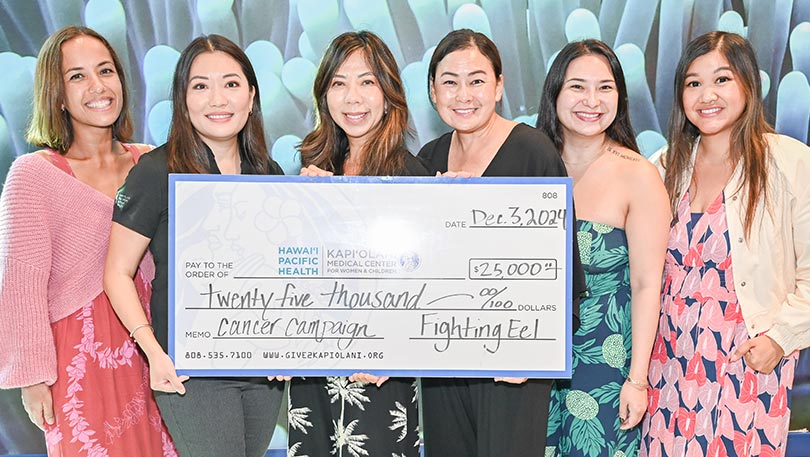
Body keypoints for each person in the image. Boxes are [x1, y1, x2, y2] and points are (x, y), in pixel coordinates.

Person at [103, 34, 285, 457]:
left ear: (251, 96)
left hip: (262, 372)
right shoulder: (155, 170)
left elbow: (278, 270)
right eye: (200, 86)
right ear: (183, 100)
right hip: (191, 372)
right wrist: (154, 353)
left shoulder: (269, 173)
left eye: (231, 84)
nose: (217, 99)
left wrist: (287, 343)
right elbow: (117, 272)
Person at [0, 26, 176, 455]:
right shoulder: (33, 175)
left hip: (158, 353)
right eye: (77, 76)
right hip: (79, 365)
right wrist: (32, 378)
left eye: (106, 71)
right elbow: (20, 285)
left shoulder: (153, 162)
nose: (98, 86)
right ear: (57, 94)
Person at [640, 31, 810, 456]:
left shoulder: (789, 162)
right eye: (693, 83)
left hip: (747, 364)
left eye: (721, 79)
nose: (706, 95)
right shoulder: (663, 166)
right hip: (667, 365)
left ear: (748, 84)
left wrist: (780, 339)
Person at [417, 29, 586, 457]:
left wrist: (534, 351)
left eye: (476, 80)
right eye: (450, 81)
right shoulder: (428, 159)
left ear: (498, 86)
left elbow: (563, 267)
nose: (463, 95)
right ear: (433, 91)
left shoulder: (533, 151)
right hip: (442, 355)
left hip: (512, 360)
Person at [288, 30, 429, 457]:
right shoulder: (313, 170)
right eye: (339, 83)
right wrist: (297, 208)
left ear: (388, 93)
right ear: (324, 95)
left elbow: (429, 286)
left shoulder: (412, 176)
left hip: (379, 371)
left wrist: (395, 351)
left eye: (367, 81)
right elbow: (293, 270)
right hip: (314, 369)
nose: (353, 97)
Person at [536, 39, 669, 456]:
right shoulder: (530, 165)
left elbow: (647, 285)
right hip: (530, 362)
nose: (591, 101)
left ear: (620, 97)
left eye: (605, 88)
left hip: (605, 362)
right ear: (555, 92)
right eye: (577, 87)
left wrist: (637, 380)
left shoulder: (638, 175)